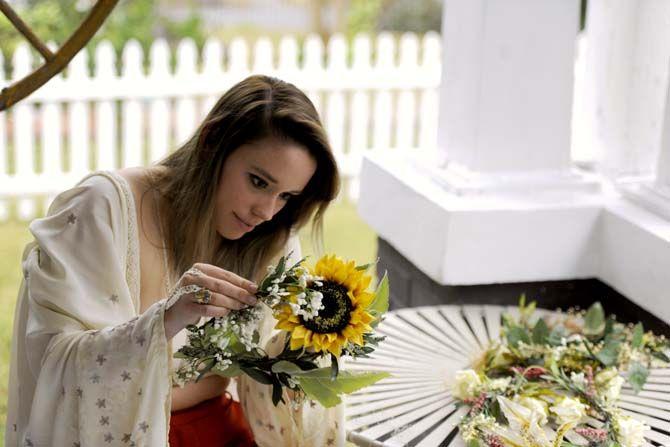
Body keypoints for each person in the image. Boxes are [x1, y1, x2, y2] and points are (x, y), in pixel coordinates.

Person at [5, 75, 345, 446]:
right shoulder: (103, 207)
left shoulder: (271, 237)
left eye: (287, 196)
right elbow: (53, 364)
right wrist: (164, 321)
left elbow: (267, 369)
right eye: (258, 182)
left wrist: (313, 341)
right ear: (211, 141)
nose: (266, 210)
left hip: (222, 430)